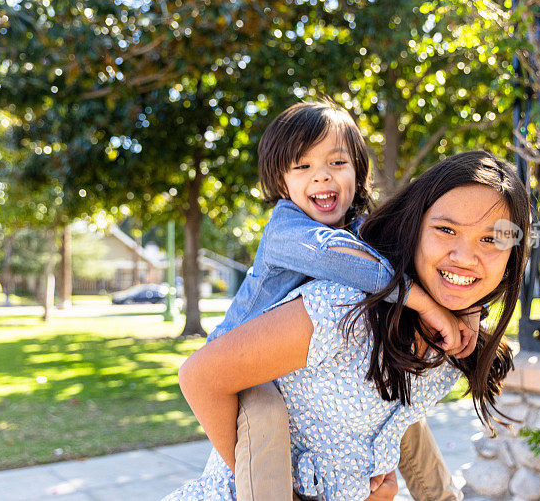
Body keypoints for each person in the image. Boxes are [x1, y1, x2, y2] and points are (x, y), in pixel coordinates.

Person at [163, 151, 530, 500]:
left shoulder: (451, 340)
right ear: (414, 225)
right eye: (446, 230)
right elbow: (201, 376)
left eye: (490, 239)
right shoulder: (342, 306)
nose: (465, 257)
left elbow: (391, 428)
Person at [204, 100, 476, 500]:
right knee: (265, 418)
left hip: (307, 372)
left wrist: (466, 308)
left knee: (393, 403)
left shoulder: (360, 228)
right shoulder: (287, 229)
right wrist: (426, 305)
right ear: (282, 184)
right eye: (303, 167)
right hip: (248, 368)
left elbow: (417, 257)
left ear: (357, 173)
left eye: (336, 163)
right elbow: (344, 261)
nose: (322, 177)